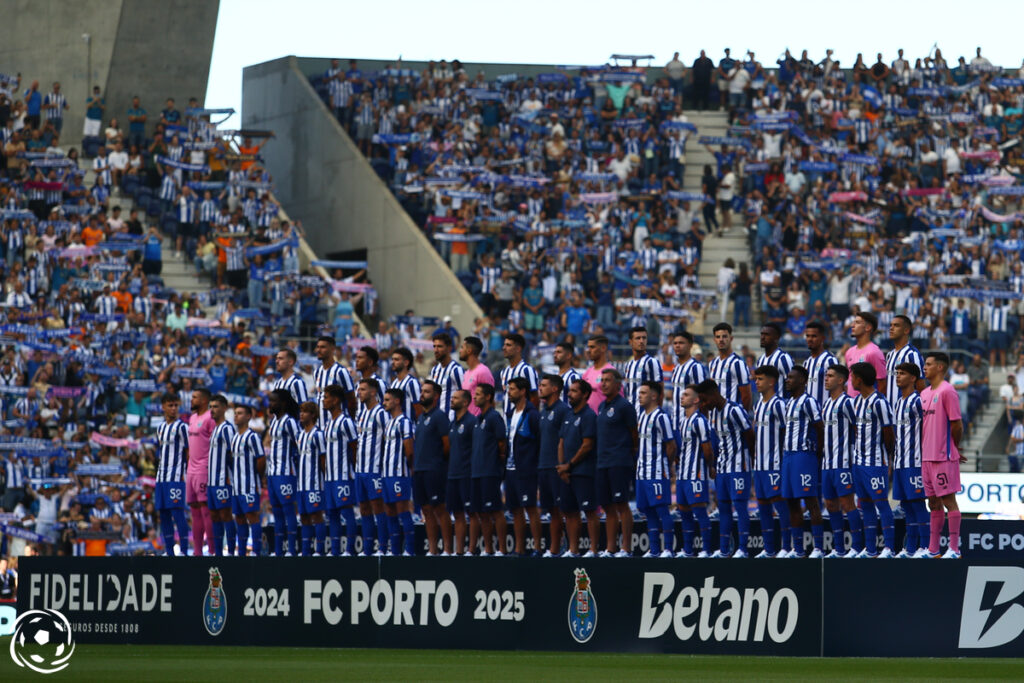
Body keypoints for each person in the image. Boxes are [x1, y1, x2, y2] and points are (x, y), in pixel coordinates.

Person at [695, 379, 754, 558]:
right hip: (722, 466)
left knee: (740, 506)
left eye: (705, 400)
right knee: (724, 507)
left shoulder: (734, 410)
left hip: (739, 465)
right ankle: (724, 549)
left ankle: (743, 548)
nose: (704, 405)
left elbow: (749, 433)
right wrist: (714, 464)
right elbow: (717, 440)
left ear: (714, 394)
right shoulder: (713, 414)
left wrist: (750, 457)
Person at [920, 352, 966, 559]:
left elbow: (957, 424)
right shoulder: (924, 393)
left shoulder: (948, 391)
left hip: (943, 456)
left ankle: (954, 549)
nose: (925, 367)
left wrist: (953, 447)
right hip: (926, 457)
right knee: (933, 503)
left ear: (940, 367)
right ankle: (933, 549)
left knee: (949, 502)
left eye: (928, 364)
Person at [850, 362, 896, 558]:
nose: (851, 380)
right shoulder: (857, 402)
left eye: (852, 376)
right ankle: (870, 549)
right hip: (858, 462)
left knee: (881, 504)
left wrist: (890, 458)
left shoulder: (880, 402)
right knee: (865, 505)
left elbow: (889, 433)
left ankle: (889, 547)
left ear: (859, 379)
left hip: (876, 462)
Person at [781, 366, 825, 558]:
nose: (787, 380)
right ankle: (797, 549)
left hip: (804, 455)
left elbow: (820, 427)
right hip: (788, 456)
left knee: (811, 501)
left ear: (802, 381)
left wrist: (817, 453)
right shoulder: (789, 403)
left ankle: (818, 548)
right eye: (787, 377)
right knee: (791, 502)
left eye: (791, 378)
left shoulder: (809, 402)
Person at [820, 365, 862, 558]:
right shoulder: (827, 404)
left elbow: (857, 429)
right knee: (830, 505)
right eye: (825, 375)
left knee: (847, 503)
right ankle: (838, 548)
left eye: (830, 376)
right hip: (827, 463)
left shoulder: (847, 403)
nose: (825, 379)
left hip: (843, 462)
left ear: (841, 380)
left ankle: (857, 547)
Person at [595, 368, 638, 557]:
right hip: (602, 461)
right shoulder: (601, 407)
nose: (603, 383)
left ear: (618, 385)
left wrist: (629, 455)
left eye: (608, 380)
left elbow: (634, 435)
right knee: (607, 505)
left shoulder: (625, 406)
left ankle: (626, 547)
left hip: (619, 461)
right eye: (602, 380)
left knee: (621, 504)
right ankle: (610, 547)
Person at [556, 379, 599, 558]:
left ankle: (593, 549)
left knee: (589, 511)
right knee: (569, 511)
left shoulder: (589, 416)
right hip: (567, 472)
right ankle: (573, 550)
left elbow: (588, 445)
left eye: (574, 391)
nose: (569, 394)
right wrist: (562, 468)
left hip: (584, 471)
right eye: (569, 390)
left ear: (585, 394)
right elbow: (561, 443)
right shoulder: (568, 415)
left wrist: (570, 464)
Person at [751, 366, 790, 558]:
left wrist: (784, 462)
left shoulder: (778, 405)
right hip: (759, 466)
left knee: (781, 506)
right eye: (755, 379)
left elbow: (786, 432)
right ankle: (768, 549)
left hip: (775, 464)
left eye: (760, 379)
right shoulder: (758, 404)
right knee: (763, 506)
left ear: (772, 382)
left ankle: (787, 547)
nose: (756, 382)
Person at [635, 381, 676, 558]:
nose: (639, 396)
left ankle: (668, 549)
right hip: (641, 472)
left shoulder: (661, 417)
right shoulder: (641, 416)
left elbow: (671, 445)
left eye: (643, 393)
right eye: (639, 393)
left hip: (657, 472)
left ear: (653, 396)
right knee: (648, 511)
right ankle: (654, 549)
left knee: (661, 510)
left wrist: (664, 465)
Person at [674, 384, 716, 558]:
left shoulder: (700, 421)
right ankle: (688, 550)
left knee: (699, 511)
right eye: (682, 394)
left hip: (696, 474)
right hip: (683, 474)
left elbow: (707, 448)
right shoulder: (683, 421)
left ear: (696, 399)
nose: (681, 397)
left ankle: (706, 549)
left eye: (686, 394)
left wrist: (709, 467)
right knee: (684, 512)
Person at [892, 363, 928, 558]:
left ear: (914, 378)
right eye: (897, 373)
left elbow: (928, 429)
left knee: (917, 504)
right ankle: (911, 548)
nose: (898, 376)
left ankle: (926, 546)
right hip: (900, 461)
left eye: (902, 373)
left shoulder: (918, 401)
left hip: (915, 461)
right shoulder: (898, 403)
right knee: (906, 505)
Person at [413, 380, 451, 555]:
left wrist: (437, 462)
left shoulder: (439, 416)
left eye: (427, 392)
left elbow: (447, 444)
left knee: (439, 509)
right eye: (422, 391)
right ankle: (433, 548)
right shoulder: (420, 417)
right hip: (419, 469)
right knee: (426, 510)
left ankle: (448, 549)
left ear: (436, 396)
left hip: (434, 469)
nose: (422, 394)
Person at [505, 377, 542, 556]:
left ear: (523, 391)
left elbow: (539, 442)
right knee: (515, 509)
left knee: (530, 508)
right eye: (508, 389)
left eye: (512, 389)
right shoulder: (511, 413)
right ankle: (519, 549)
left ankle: (537, 547)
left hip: (526, 469)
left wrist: (533, 465)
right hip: (511, 468)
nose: (509, 392)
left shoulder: (532, 414)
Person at [470, 384, 508, 556]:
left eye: (478, 394)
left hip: (490, 471)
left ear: (488, 397)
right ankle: (488, 549)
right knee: (482, 512)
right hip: (477, 471)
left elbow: (502, 444)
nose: (474, 397)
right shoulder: (478, 418)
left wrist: (497, 465)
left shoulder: (494, 417)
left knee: (495, 511)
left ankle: (502, 548)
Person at [322, 384, 359, 556]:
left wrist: (351, 470)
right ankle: (335, 550)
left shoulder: (346, 422)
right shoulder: (328, 423)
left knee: (346, 511)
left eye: (326, 396)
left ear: (336, 400)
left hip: (343, 474)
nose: (323, 400)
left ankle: (350, 549)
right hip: (329, 477)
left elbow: (354, 447)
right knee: (332, 514)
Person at [355, 378, 390, 556]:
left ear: (373, 392)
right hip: (360, 469)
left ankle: (383, 547)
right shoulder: (362, 414)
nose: (359, 392)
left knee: (378, 507)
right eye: (358, 389)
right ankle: (368, 549)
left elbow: (388, 439)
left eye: (363, 389)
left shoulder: (381, 413)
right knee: (364, 508)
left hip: (375, 468)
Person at [537, 374, 571, 557]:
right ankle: (554, 549)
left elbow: (565, 440)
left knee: (563, 509)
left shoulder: (563, 410)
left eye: (544, 385)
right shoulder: (543, 412)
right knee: (552, 511)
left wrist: (563, 464)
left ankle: (567, 547)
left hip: (556, 467)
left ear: (555, 388)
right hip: (543, 466)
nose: (540, 388)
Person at [266, 389, 301, 556]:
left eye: (273, 401)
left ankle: (292, 550)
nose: (270, 404)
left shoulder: (290, 422)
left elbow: (300, 444)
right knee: (277, 512)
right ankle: (279, 550)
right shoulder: (274, 421)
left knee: (288, 511)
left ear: (283, 403)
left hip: (286, 472)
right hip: (272, 473)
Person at [381, 388, 416, 556]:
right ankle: (394, 550)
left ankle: (409, 549)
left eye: (387, 400)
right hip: (386, 474)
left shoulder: (405, 422)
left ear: (396, 401)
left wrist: (410, 467)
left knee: (402, 510)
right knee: (389, 511)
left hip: (399, 473)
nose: (384, 403)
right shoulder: (389, 423)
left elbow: (409, 449)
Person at [155, 393, 190, 556]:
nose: (174, 408)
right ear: (163, 407)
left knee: (177, 513)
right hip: (161, 477)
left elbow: (189, 451)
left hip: (176, 476)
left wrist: (188, 473)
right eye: (170, 405)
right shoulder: (160, 428)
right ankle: (169, 551)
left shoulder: (182, 427)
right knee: (164, 514)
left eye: (176, 405)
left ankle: (183, 550)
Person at [230, 402, 265, 556]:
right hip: (236, 486)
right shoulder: (235, 437)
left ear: (249, 416)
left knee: (252, 517)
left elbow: (261, 460)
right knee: (239, 518)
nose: (236, 415)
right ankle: (242, 552)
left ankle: (256, 552)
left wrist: (257, 477)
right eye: (235, 413)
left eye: (240, 413)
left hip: (249, 484)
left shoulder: (252, 437)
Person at [446, 389, 477, 555]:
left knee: (471, 513)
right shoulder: (452, 423)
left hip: (467, 474)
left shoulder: (472, 422)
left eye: (455, 398)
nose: (452, 400)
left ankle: (471, 550)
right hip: (452, 474)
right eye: (451, 397)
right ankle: (459, 551)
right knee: (457, 513)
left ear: (465, 402)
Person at [207, 394, 237, 556]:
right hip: (212, 481)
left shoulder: (227, 428)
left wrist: (230, 477)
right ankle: (217, 553)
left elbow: (232, 454)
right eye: (210, 407)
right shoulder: (215, 429)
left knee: (225, 514)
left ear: (225, 408)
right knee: (214, 516)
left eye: (216, 406)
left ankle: (231, 552)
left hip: (223, 479)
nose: (212, 410)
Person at [296, 401, 327, 556]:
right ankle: (306, 550)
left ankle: (320, 550)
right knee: (304, 517)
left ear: (313, 415)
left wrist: (325, 479)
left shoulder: (318, 434)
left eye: (305, 411)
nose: (301, 414)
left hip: (314, 482)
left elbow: (323, 458)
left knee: (316, 515)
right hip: (301, 484)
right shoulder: (300, 435)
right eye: (301, 411)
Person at [186, 387, 214, 556]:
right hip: (191, 469)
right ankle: (197, 552)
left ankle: (211, 551)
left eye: (195, 397)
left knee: (206, 510)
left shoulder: (210, 418)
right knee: (194, 511)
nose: (191, 400)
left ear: (204, 400)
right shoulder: (192, 418)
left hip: (204, 469)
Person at [669, 331, 709, 435]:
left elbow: (702, 397)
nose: (677, 346)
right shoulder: (676, 369)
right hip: (675, 424)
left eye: (681, 343)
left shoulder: (696, 367)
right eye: (675, 343)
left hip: (690, 426)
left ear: (690, 345)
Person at [708, 322, 752, 411]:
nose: (721, 340)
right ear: (714, 340)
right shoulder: (712, 363)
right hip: (715, 419)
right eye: (718, 337)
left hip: (732, 420)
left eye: (724, 336)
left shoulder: (737, 363)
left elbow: (746, 396)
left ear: (731, 338)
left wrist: (740, 416)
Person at [313, 335, 356, 425]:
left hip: (337, 425)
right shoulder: (317, 372)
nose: (318, 350)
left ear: (333, 349)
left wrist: (349, 421)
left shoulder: (341, 371)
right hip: (320, 425)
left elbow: (351, 398)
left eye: (323, 347)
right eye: (318, 347)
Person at [885, 315, 925, 407]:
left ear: (906, 330)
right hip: (890, 412)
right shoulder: (889, 355)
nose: (891, 328)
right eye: (891, 325)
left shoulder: (912, 354)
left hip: (906, 413)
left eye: (896, 325)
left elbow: (920, 386)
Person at [845, 311, 886, 398]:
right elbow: (849, 381)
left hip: (866, 407)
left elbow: (882, 385)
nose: (852, 325)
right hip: (851, 406)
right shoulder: (849, 352)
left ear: (868, 327)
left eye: (857, 322)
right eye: (853, 322)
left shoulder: (874, 352)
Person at [499, 333, 539, 417]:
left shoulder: (527, 370)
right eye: (504, 345)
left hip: (522, 421)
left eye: (508, 345)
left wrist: (530, 419)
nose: (504, 348)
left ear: (518, 348)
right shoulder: (503, 372)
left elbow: (534, 397)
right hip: (506, 422)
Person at [623, 326, 663, 410]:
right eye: (638, 338)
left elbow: (660, 390)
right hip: (631, 414)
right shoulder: (628, 365)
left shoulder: (651, 362)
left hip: (645, 414)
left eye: (644, 338)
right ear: (630, 342)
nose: (641, 341)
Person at [429, 332, 464, 419]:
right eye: (434, 346)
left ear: (449, 348)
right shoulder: (434, 370)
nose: (436, 350)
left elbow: (464, 395)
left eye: (439, 346)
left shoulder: (456, 369)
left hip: (450, 420)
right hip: (436, 420)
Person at [803, 320, 838, 407]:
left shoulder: (830, 360)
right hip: (809, 413)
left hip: (824, 412)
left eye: (814, 336)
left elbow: (839, 388)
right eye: (807, 336)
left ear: (823, 338)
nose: (810, 339)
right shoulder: (807, 362)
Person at [756, 323, 794, 398]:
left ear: (776, 338)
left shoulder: (783, 358)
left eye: (767, 335)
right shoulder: (760, 360)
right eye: (762, 334)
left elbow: (793, 384)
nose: (762, 337)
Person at [458, 336, 492, 416]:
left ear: (469, 351)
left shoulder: (483, 372)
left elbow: (490, 400)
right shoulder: (466, 373)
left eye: (462, 347)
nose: (460, 351)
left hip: (478, 422)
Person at [582, 335, 616, 414]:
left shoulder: (611, 372)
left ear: (603, 348)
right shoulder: (587, 373)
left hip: (603, 422)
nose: (588, 351)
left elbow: (618, 403)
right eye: (588, 347)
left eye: (592, 347)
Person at [389, 346, 422, 422]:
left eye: (396, 359)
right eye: (392, 359)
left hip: (410, 429)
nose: (393, 362)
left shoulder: (411, 382)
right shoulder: (394, 383)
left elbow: (419, 409)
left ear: (406, 362)